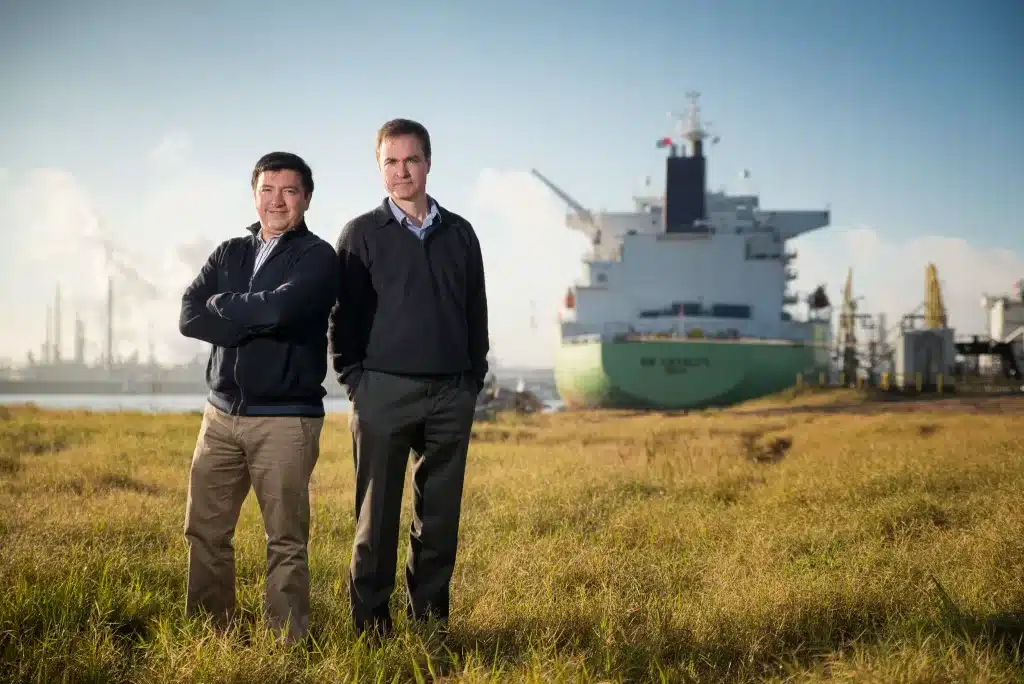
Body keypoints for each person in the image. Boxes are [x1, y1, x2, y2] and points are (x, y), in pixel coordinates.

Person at [328, 118, 489, 639]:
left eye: (411, 160)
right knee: (375, 521)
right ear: (380, 168)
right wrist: (356, 380)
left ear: (428, 163)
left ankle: (430, 624)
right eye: (391, 162)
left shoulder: (461, 233)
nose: (402, 172)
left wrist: (471, 380)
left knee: (439, 521)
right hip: (382, 393)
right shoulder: (359, 234)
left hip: (450, 394)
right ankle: (371, 628)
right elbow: (342, 319)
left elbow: (476, 312)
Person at [178, 151, 339, 643]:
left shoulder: (318, 257)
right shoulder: (229, 252)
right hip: (220, 415)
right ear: (254, 195)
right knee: (205, 532)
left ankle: (285, 645)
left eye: (289, 191)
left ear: (306, 198)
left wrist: (226, 307)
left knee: (285, 540)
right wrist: (251, 325)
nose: (276, 201)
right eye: (267, 190)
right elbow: (189, 314)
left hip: (286, 419)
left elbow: (286, 307)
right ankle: (212, 634)